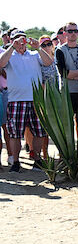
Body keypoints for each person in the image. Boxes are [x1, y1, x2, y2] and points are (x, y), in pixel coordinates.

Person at [0, 29, 53, 172]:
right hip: (16, 100)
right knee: (15, 133)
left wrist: (38, 47)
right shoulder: (9, 55)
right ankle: (16, 162)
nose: (20, 42)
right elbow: (0, 63)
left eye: (22, 39)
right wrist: (12, 47)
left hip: (35, 100)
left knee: (39, 132)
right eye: (16, 39)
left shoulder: (35, 55)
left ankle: (37, 160)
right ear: (11, 41)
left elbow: (48, 62)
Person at [55, 22, 78, 116]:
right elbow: (64, 73)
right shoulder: (59, 50)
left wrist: (72, 75)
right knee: (68, 125)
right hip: (67, 92)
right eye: (70, 31)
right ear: (65, 33)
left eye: (75, 31)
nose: (73, 33)